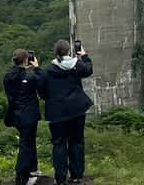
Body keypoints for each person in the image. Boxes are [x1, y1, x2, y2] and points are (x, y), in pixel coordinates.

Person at [37, 39, 93, 185]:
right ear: (69, 51)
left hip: (56, 113)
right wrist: (84, 56)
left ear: (55, 53)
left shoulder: (47, 71)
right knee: (77, 142)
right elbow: (88, 70)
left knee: (59, 144)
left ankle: (60, 178)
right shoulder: (77, 66)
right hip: (77, 110)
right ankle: (76, 176)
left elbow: (41, 91)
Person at [3, 49, 42, 185]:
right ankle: (21, 175)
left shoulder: (8, 76)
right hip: (29, 114)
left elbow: (17, 76)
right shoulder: (30, 77)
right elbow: (42, 82)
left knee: (28, 141)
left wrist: (24, 68)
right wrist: (37, 68)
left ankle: (32, 168)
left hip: (16, 114)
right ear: (26, 60)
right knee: (26, 143)